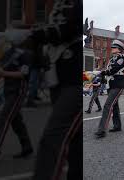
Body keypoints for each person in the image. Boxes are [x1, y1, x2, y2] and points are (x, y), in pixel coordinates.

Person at [32, 0, 82, 179]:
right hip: (57, 76)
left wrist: (32, 35)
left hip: (73, 77)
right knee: (75, 141)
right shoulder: (57, 5)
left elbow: (70, 28)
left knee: (54, 138)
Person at [0, 38, 34, 163]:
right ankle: (27, 146)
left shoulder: (26, 54)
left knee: (3, 119)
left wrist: (3, 74)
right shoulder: (10, 52)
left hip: (18, 91)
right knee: (16, 121)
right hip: (8, 90)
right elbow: (1, 71)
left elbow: (23, 74)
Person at [95, 39, 124, 138]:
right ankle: (117, 126)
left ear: (119, 49)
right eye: (112, 47)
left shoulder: (122, 58)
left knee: (107, 105)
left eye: (114, 47)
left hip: (118, 85)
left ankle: (102, 130)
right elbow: (108, 72)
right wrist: (101, 77)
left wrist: (102, 72)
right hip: (111, 85)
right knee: (114, 106)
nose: (112, 48)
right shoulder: (111, 59)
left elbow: (112, 70)